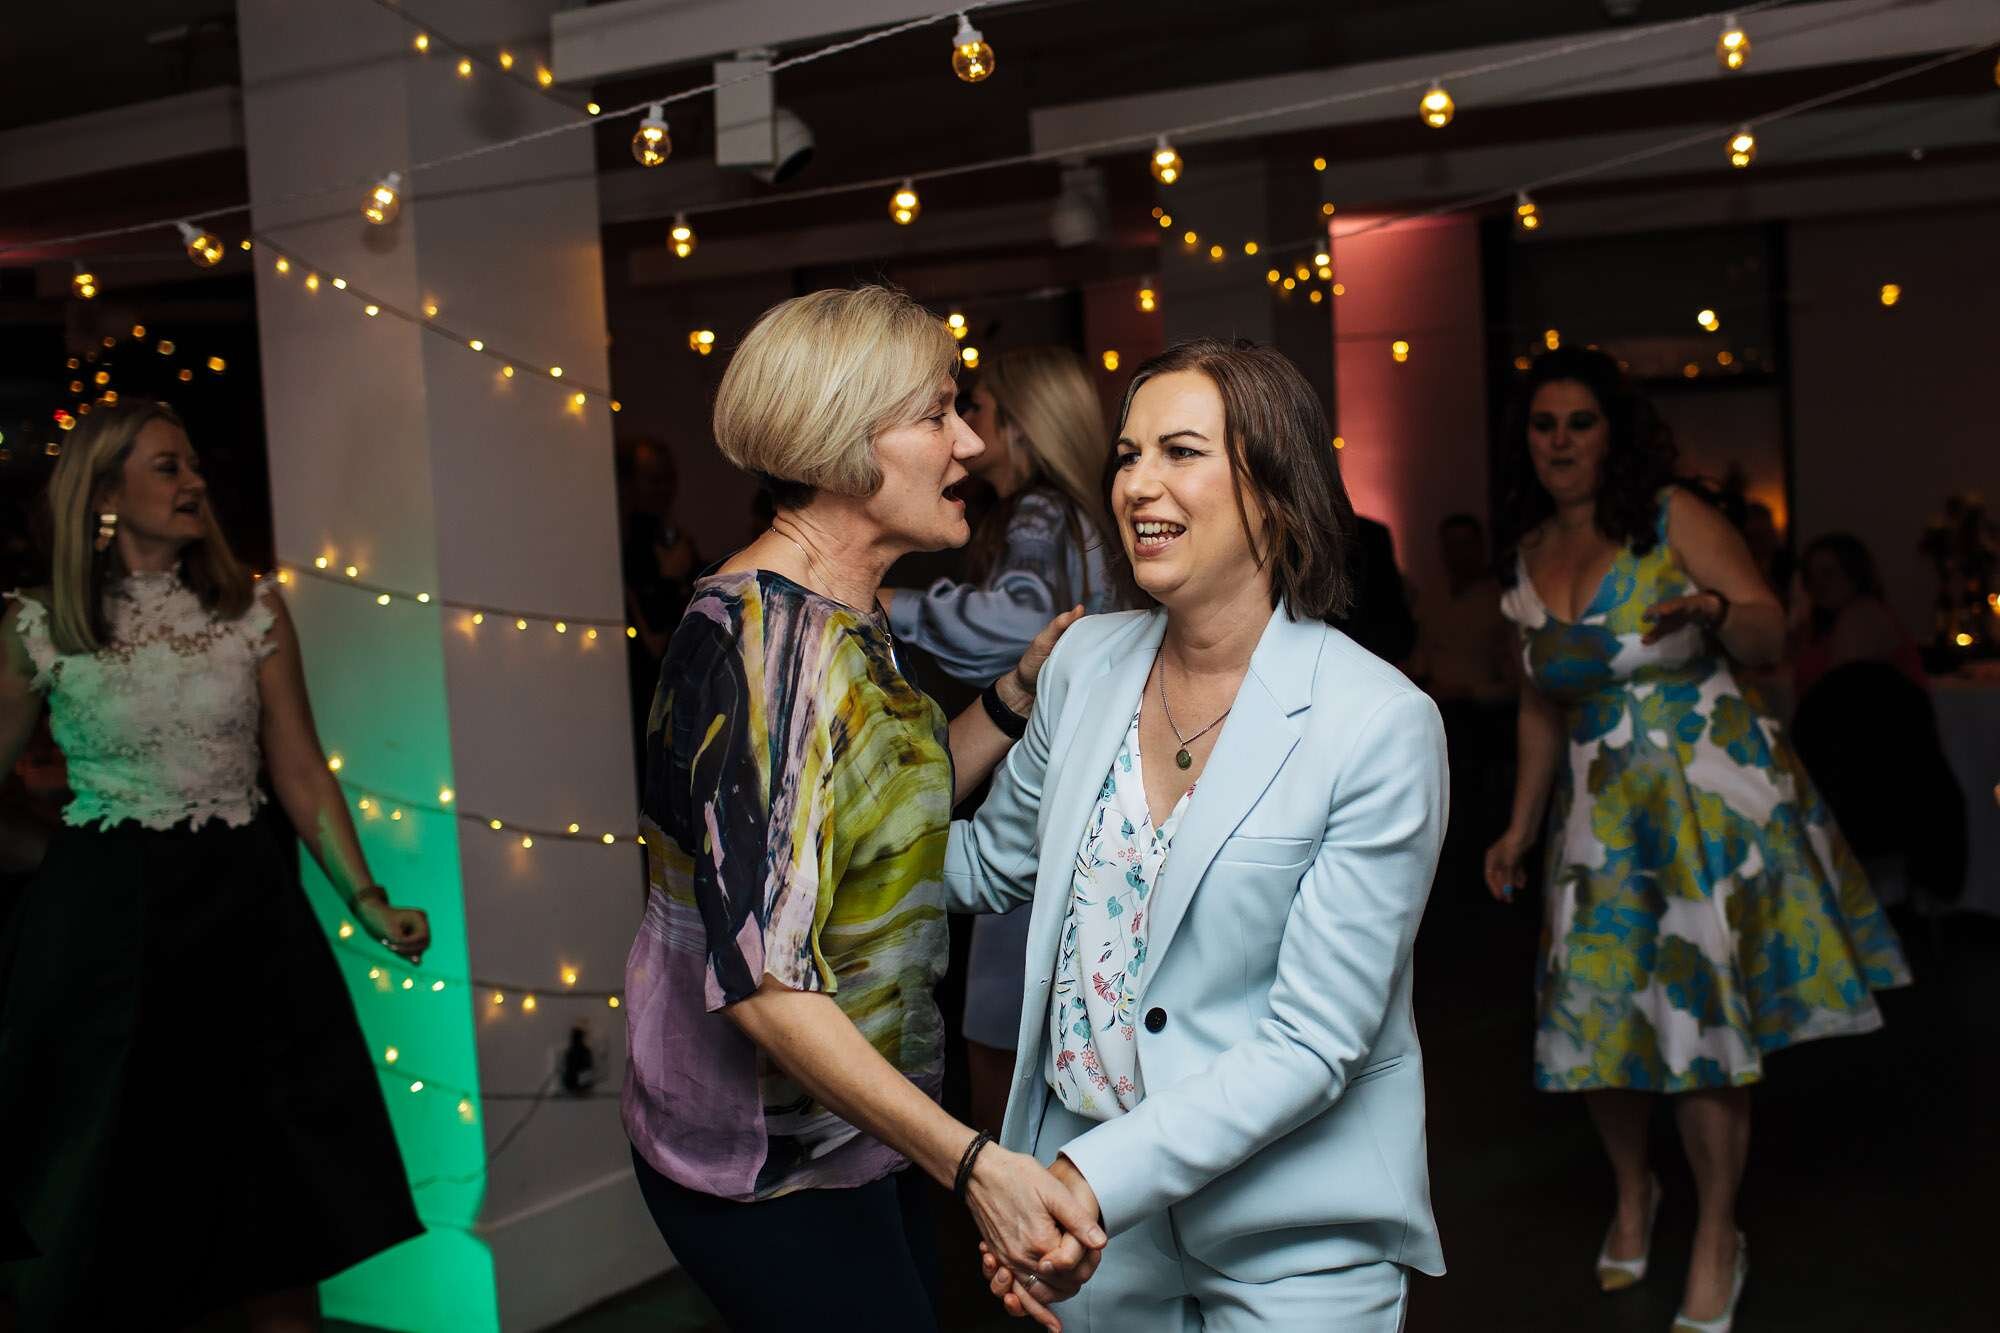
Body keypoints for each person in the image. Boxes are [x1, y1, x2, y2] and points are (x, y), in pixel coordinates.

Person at [620, 286, 1103, 1333]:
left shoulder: (845, 613)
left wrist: (1014, 694)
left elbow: (894, 795)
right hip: (763, 1165)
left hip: (856, 1134)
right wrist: (972, 1163)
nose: (970, 441)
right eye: (936, 415)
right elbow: (764, 986)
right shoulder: (763, 652)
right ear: (845, 447)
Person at [949, 339, 1448, 1331]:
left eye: (1179, 450)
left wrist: (1080, 1181)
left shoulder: (1376, 723)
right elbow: (985, 862)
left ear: (1269, 487)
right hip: (1097, 1240)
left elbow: (1313, 1040)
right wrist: (799, 859)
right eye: (1127, 454)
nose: (1137, 482)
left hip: (1293, 1231)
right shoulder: (1082, 663)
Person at [1482, 349, 1909, 1333]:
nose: (1558, 440)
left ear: (1611, 432)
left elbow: (1767, 629)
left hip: (1702, 801)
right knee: (1594, 1014)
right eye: (1543, 423)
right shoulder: (1525, 553)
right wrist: (1516, 822)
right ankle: (1634, 1190)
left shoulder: (1669, 515)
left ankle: (1717, 1230)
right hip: (1593, 814)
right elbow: (1539, 705)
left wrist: (1714, 613)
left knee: (1701, 1022)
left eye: (1578, 421)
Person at [0, 401, 427, 1330]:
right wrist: (53, 840)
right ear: (106, 492)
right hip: (104, 932)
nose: (194, 482)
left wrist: (365, 897)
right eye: (167, 467)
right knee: (111, 1184)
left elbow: (301, 768)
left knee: (271, 1185)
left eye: (193, 463)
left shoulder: (251, 609)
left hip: (243, 914)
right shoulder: (40, 622)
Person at [881, 346, 1130, 1136]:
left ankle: (1005, 1220)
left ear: (1024, 427)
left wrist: (894, 604)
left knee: (997, 1040)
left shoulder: (1039, 509)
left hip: (1040, 795)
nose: (969, 436)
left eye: (979, 411)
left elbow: (1017, 621)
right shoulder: (1089, 517)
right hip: (1097, 793)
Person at [1408, 513, 1517, 902]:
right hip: (1434, 713)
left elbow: (1516, 682)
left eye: (1465, 544)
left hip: (1479, 721)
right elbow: (1421, 656)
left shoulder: (1500, 603)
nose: (1457, 554)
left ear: (1480, 548)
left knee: (1471, 813)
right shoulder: (1433, 597)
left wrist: (1466, 692)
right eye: (1449, 545)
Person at [1793, 532, 1926, 698]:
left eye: (1828, 573)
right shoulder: (1829, 623)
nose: (1817, 583)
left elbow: (1845, 691)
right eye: (1811, 575)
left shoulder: (1862, 617)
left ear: (1854, 574)